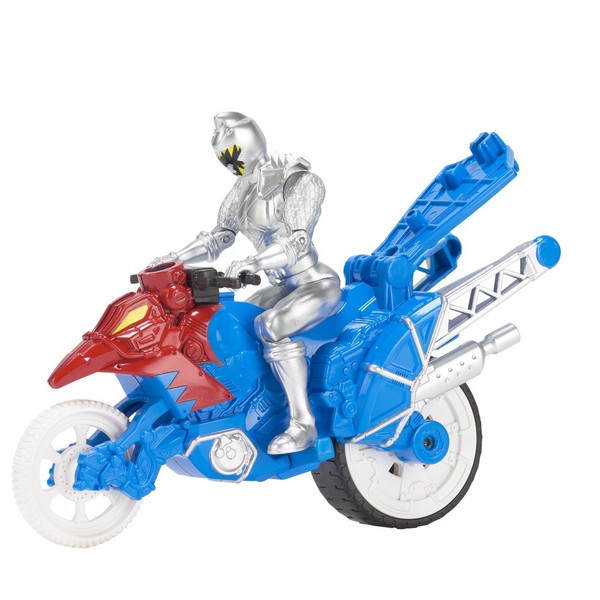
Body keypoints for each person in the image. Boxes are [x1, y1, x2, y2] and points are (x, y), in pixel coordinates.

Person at [152, 112, 341, 454]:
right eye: (223, 156)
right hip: (282, 286)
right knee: (234, 321)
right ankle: (256, 401)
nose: (230, 163)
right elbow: (220, 237)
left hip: (315, 283)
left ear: (249, 143)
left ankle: (303, 423)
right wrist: (175, 258)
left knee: (271, 325)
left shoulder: (297, 179)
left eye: (232, 152)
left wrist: (254, 262)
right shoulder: (243, 189)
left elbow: (296, 241)